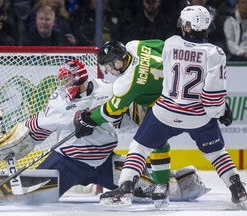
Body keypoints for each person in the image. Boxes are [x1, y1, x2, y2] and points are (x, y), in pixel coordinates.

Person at [0, 59, 209, 202]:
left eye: (69, 78)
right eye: (63, 79)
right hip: (67, 162)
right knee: (31, 197)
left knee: (147, 190)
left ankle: (183, 183)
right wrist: (17, 142)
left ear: (81, 75)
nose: (66, 83)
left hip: (104, 161)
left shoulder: (109, 89)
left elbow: (129, 118)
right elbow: (44, 123)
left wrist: (145, 119)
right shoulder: (59, 97)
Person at [98, 5, 247, 209]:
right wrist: (222, 112)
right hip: (199, 116)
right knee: (217, 153)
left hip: (166, 112)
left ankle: (125, 188)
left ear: (185, 26)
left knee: (139, 147)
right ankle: (237, 189)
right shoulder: (216, 53)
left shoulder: (170, 43)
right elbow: (213, 99)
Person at [74, 39, 175, 208]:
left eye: (108, 66)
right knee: (209, 145)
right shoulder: (135, 46)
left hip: (167, 105)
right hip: (179, 94)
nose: (107, 71)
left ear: (118, 61)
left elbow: (112, 110)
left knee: (146, 142)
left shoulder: (126, 82)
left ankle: (143, 186)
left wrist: (90, 119)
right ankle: (161, 185)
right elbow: (164, 46)